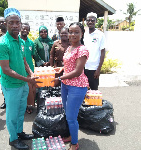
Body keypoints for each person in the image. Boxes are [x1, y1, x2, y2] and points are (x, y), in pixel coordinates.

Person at [0, 8, 39, 150]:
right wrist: (28, 80)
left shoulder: (21, 41)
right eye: (11, 22)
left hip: (23, 83)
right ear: (6, 24)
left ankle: (19, 133)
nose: (15, 25)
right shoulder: (2, 43)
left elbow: (24, 60)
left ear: (20, 24)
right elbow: (6, 70)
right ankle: (13, 139)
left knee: (21, 111)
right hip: (11, 85)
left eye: (17, 22)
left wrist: (30, 74)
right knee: (12, 114)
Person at [52, 22, 89, 150]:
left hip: (77, 87)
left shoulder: (82, 50)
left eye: (76, 32)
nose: (73, 34)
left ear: (82, 33)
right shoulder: (69, 48)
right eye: (71, 32)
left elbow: (78, 71)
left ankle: (74, 144)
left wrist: (60, 78)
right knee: (68, 114)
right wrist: (60, 68)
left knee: (72, 117)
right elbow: (70, 65)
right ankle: (70, 135)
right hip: (66, 85)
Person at [84, 12, 106, 90]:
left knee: (93, 91)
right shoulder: (84, 34)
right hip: (83, 68)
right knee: (83, 90)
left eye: (92, 20)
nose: (90, 22)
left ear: (96, 21)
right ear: (86, 21)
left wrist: (98, 69)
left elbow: (103, 52)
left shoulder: (100, 35)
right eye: (88, 20)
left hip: (94, 69)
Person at [20, 23, 36, 114]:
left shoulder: (31, 43)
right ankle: (25, 106)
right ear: (20, 29)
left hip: (30, 69)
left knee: (31, 89)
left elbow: (33, 55)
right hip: (21, 69)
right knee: (24, 89)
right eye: (23, 29)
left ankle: (30, 105)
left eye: (27, 29)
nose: (25, 30)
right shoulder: (17, 42)